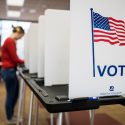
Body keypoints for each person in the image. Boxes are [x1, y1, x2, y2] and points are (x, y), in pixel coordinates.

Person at [1, 26, 25, 124]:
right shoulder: (10, 41)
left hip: (9, 71)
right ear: (18, 33)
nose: (20, 38)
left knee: (14, 94)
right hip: (9, 71)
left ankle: (10, 115)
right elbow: (15, 59)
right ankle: (9, 118)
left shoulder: (9, 41)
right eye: (21, 36)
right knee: (11, 95)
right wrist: (26, 61)